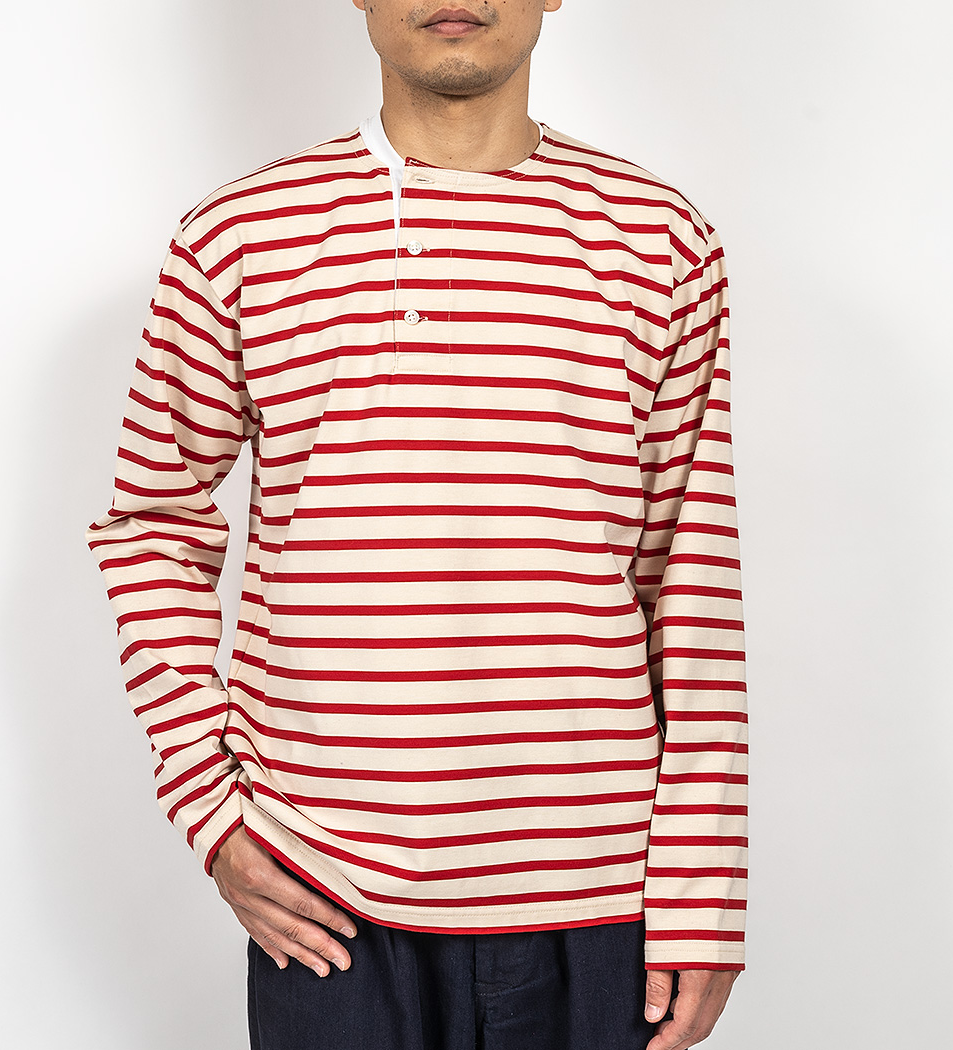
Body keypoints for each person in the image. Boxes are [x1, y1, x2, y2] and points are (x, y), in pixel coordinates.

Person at [87, 2, 748, 1048]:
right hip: (325, 889)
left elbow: (691, 569)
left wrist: (702, 884)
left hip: (598, 889)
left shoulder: (658, 237)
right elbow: (153, 525)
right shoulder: (239, 235)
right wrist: (210, 809)